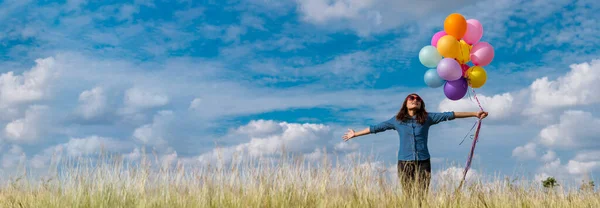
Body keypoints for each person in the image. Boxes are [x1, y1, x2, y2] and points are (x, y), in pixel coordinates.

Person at [341, 93, 488, 198]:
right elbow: (376, 128)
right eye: (411, 98)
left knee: (422, 196)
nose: (415, 100)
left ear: (421, 104)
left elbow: (450, 115)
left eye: (418, 99)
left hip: (423, 162)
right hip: (404, 162)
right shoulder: (397, 120)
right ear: (406, 103)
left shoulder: (428, 118)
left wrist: (475, 113)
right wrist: (355, 134)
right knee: (408, 195)